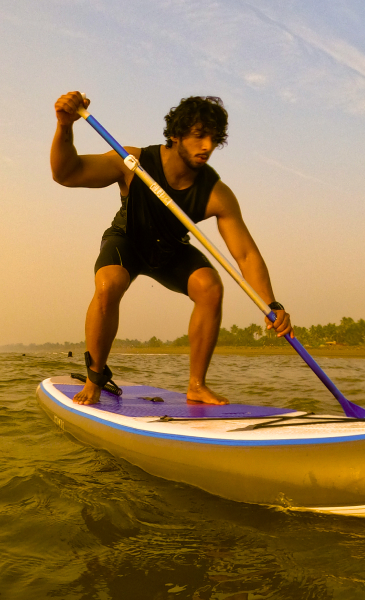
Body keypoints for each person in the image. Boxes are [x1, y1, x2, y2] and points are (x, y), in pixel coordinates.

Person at [51, 91, 293, 406]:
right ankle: (95, 377)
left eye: (213, 139)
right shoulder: (133, 162)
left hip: (170, 250)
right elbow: (66, 174)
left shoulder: (216, 193)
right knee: (109, 283)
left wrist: (271, 304)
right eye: (199, 136)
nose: (207, 146)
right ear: (177, 135)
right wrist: (65, 125)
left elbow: (245, 255)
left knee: (210, 287)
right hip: (127, 241)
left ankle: (196, 385)